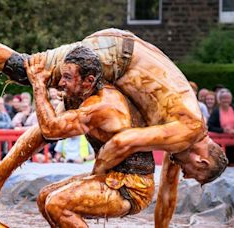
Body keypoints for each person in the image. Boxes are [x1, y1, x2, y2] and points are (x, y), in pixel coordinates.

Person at [0, 28, 228, 228]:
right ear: (202, 161)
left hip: (120, 53)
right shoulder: (189, 128)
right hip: (117, 56)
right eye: (192, 175)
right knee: (26, 67)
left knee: (53, 121)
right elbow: (122, 143)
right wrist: (97, 174)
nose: (183, 174)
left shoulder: (182, 140)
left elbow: (167, 196)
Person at [26, 47, 155, 226]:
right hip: (111, 177)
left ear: (89, 81)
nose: (61, 82)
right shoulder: (87, 93)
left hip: (132, 186)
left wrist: (39, 86)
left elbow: (51, 130)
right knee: (44, 197)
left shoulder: (102, 104)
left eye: (68, 77)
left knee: (57, 204)